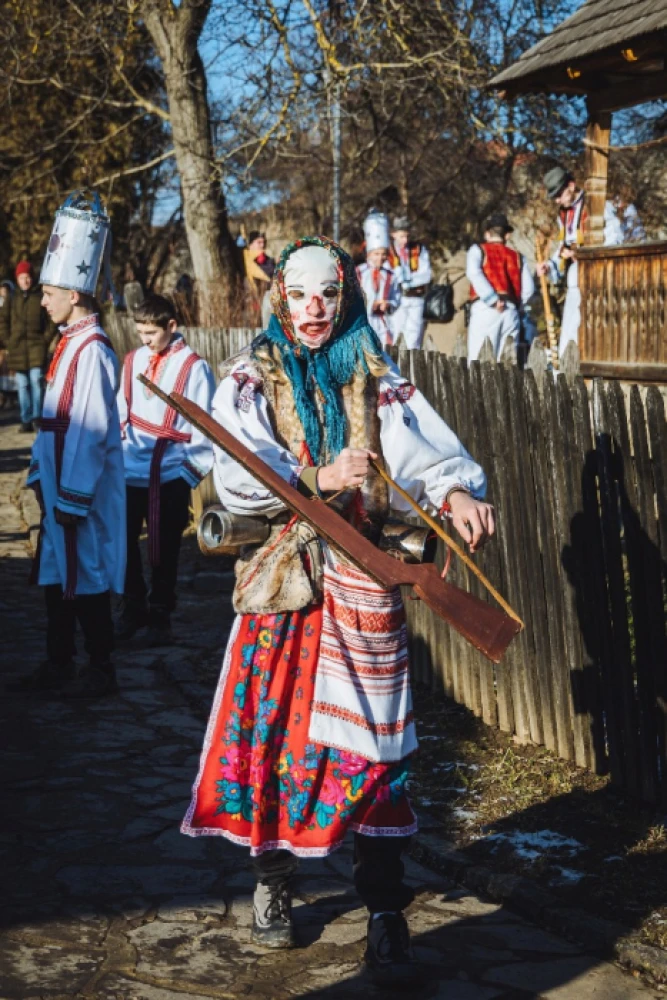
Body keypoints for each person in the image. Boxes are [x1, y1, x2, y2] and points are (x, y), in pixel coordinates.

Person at [181, 236, 495, 984]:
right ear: (281, 298)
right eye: (301, 296)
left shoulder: (373, 374)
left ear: (345, 295)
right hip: (285, 590)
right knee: (273, 741)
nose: (315, 311)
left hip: (361, 592)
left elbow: (426, 452)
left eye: (328, 295)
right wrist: (315, 474)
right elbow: (235, 472)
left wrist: (452, 490)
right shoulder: (251, 377)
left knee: (375, 756)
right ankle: (274, 887)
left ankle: (385, 908)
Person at [8, 191, 125, 699]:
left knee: (85, 571)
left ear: (75, 294)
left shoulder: (92, 351)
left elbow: (91, 429)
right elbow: (54, 420)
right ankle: (59, 659)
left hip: (80, 489)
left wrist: (73, 495)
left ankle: (101, 667)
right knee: (56, 570)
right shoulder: (69, 345)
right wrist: (40, 470)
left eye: (50, 292)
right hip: (59, 481)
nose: (43, 300)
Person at [115, 294, 215, 645]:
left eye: (151, 333)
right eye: (140, 332)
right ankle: (132, 605)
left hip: (170, 471)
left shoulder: (193, 367)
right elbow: (120, 412)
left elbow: (205, 426)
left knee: (165, 548)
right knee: (123, 543)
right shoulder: (133, 360)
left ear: (171, 326)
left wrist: (189, 472)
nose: (145, 340)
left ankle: (160, 615)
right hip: (129, 471)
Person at [466, 212, 534, 361]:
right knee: (507, 364)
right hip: (511, 312)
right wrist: (518, 306)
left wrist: (492, 299)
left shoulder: (478, 250)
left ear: (487, 234)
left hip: (485, 308)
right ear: (507, 235)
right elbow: (529, 289)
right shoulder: (518, 257)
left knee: (479, 361)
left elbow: (474, 273)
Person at [536, 166, 587, 358]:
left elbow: (612, 241)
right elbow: (562, 247)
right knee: (568, 341)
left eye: (559, 194)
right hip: (574, 283)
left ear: (571, 186)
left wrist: (578, 253)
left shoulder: (595, 206)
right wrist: (550, 265)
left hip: (595, 282)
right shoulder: (563, 215)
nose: (557, 200)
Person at [0, 261, 55, 432]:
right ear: (17, 279)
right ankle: (25, 419)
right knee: (22, 385)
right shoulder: (12, 298)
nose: (25, 281)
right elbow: (3, 320)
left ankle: (37, 417)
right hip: (17, 348)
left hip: (36, 347)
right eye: (22, 277)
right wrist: (8, 340)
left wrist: (45, 339)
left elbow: (51, 321)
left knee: (37, 381)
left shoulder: (40, 297)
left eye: (28, 277)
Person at [356, 211, 401, 348]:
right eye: (376, 254)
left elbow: (396, 297)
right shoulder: (359, 272)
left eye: (383, 254)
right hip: (363, 322)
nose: (380, 258)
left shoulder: (389, 275)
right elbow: (352, 298)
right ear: (369, 253)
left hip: (383, 323)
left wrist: (388, 304)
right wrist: (370, 304)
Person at [388, 216, 431, 349]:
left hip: (416, 297)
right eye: (401, 236)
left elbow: (426, 275)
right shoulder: (389, 252)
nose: (405, 240)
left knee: (414, 335)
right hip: (398, 298)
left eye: (407, 236)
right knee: (397, 332)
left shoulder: (418, 249)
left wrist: (408, 280)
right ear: (393, 234)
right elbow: (391, 275)